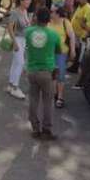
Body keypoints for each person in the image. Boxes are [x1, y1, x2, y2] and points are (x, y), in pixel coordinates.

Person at [25, 8, 61, 140]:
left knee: (33, 100)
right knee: (48, 102)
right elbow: (59, 50)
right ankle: (47, 130)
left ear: (36, 17)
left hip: (32, 71)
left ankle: (35, 128)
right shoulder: (53, 34)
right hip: (48, 72)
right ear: (49, 20)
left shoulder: (28, 32)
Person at [48, 6, 75, 109]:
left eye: (52, 12)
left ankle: (60, 97)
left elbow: (72, 36)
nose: (50, 13)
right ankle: (54, 92)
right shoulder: (48, 22)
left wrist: (72, 50)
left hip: (61, 52)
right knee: (52, 73)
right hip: (49, 53)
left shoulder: (65, 22)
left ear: (58, 14)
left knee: (60, 74)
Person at [5, 0, 31, 100]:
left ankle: (10, 85)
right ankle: (15, 88)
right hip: (18, 40)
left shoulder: (25, 11)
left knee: (15, 63)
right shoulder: (15, 13)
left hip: (24, 40)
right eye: (26, 0)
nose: (28, 2)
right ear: (21, 1)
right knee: (20, 63)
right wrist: (15, 43)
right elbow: (10, 28)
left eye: (29, 0)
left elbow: (26, 26)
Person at [67, 0, 90, 74]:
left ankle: (76, 66)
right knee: (76, 49)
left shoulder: (87, 7)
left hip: (81, 33)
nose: (78, 0)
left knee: (80, 51)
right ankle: (74, 65)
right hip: (75, 32)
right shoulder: (80, 6)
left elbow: (84, 20)